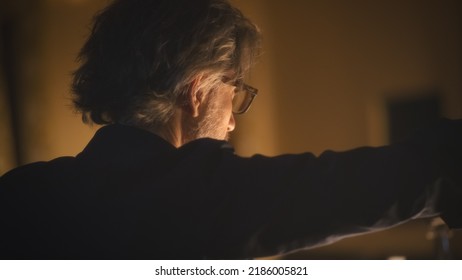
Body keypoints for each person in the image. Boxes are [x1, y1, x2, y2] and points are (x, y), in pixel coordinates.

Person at [0, 0, 461, 260]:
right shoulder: (199, 193)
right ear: (199, 91)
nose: (233, 119)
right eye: (234, 92)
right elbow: (417, 175)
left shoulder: (21, 195)